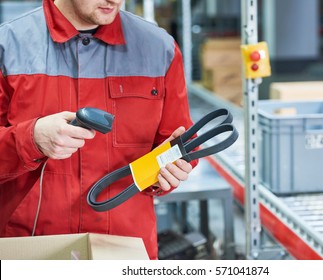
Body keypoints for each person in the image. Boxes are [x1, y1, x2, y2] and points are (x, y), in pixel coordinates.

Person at [0, 0, 197, 260]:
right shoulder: (8, 46)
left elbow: (178, 141)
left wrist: (168, 171)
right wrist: (31, 139)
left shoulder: (160, 49)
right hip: (30, 248)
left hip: (125, 249)